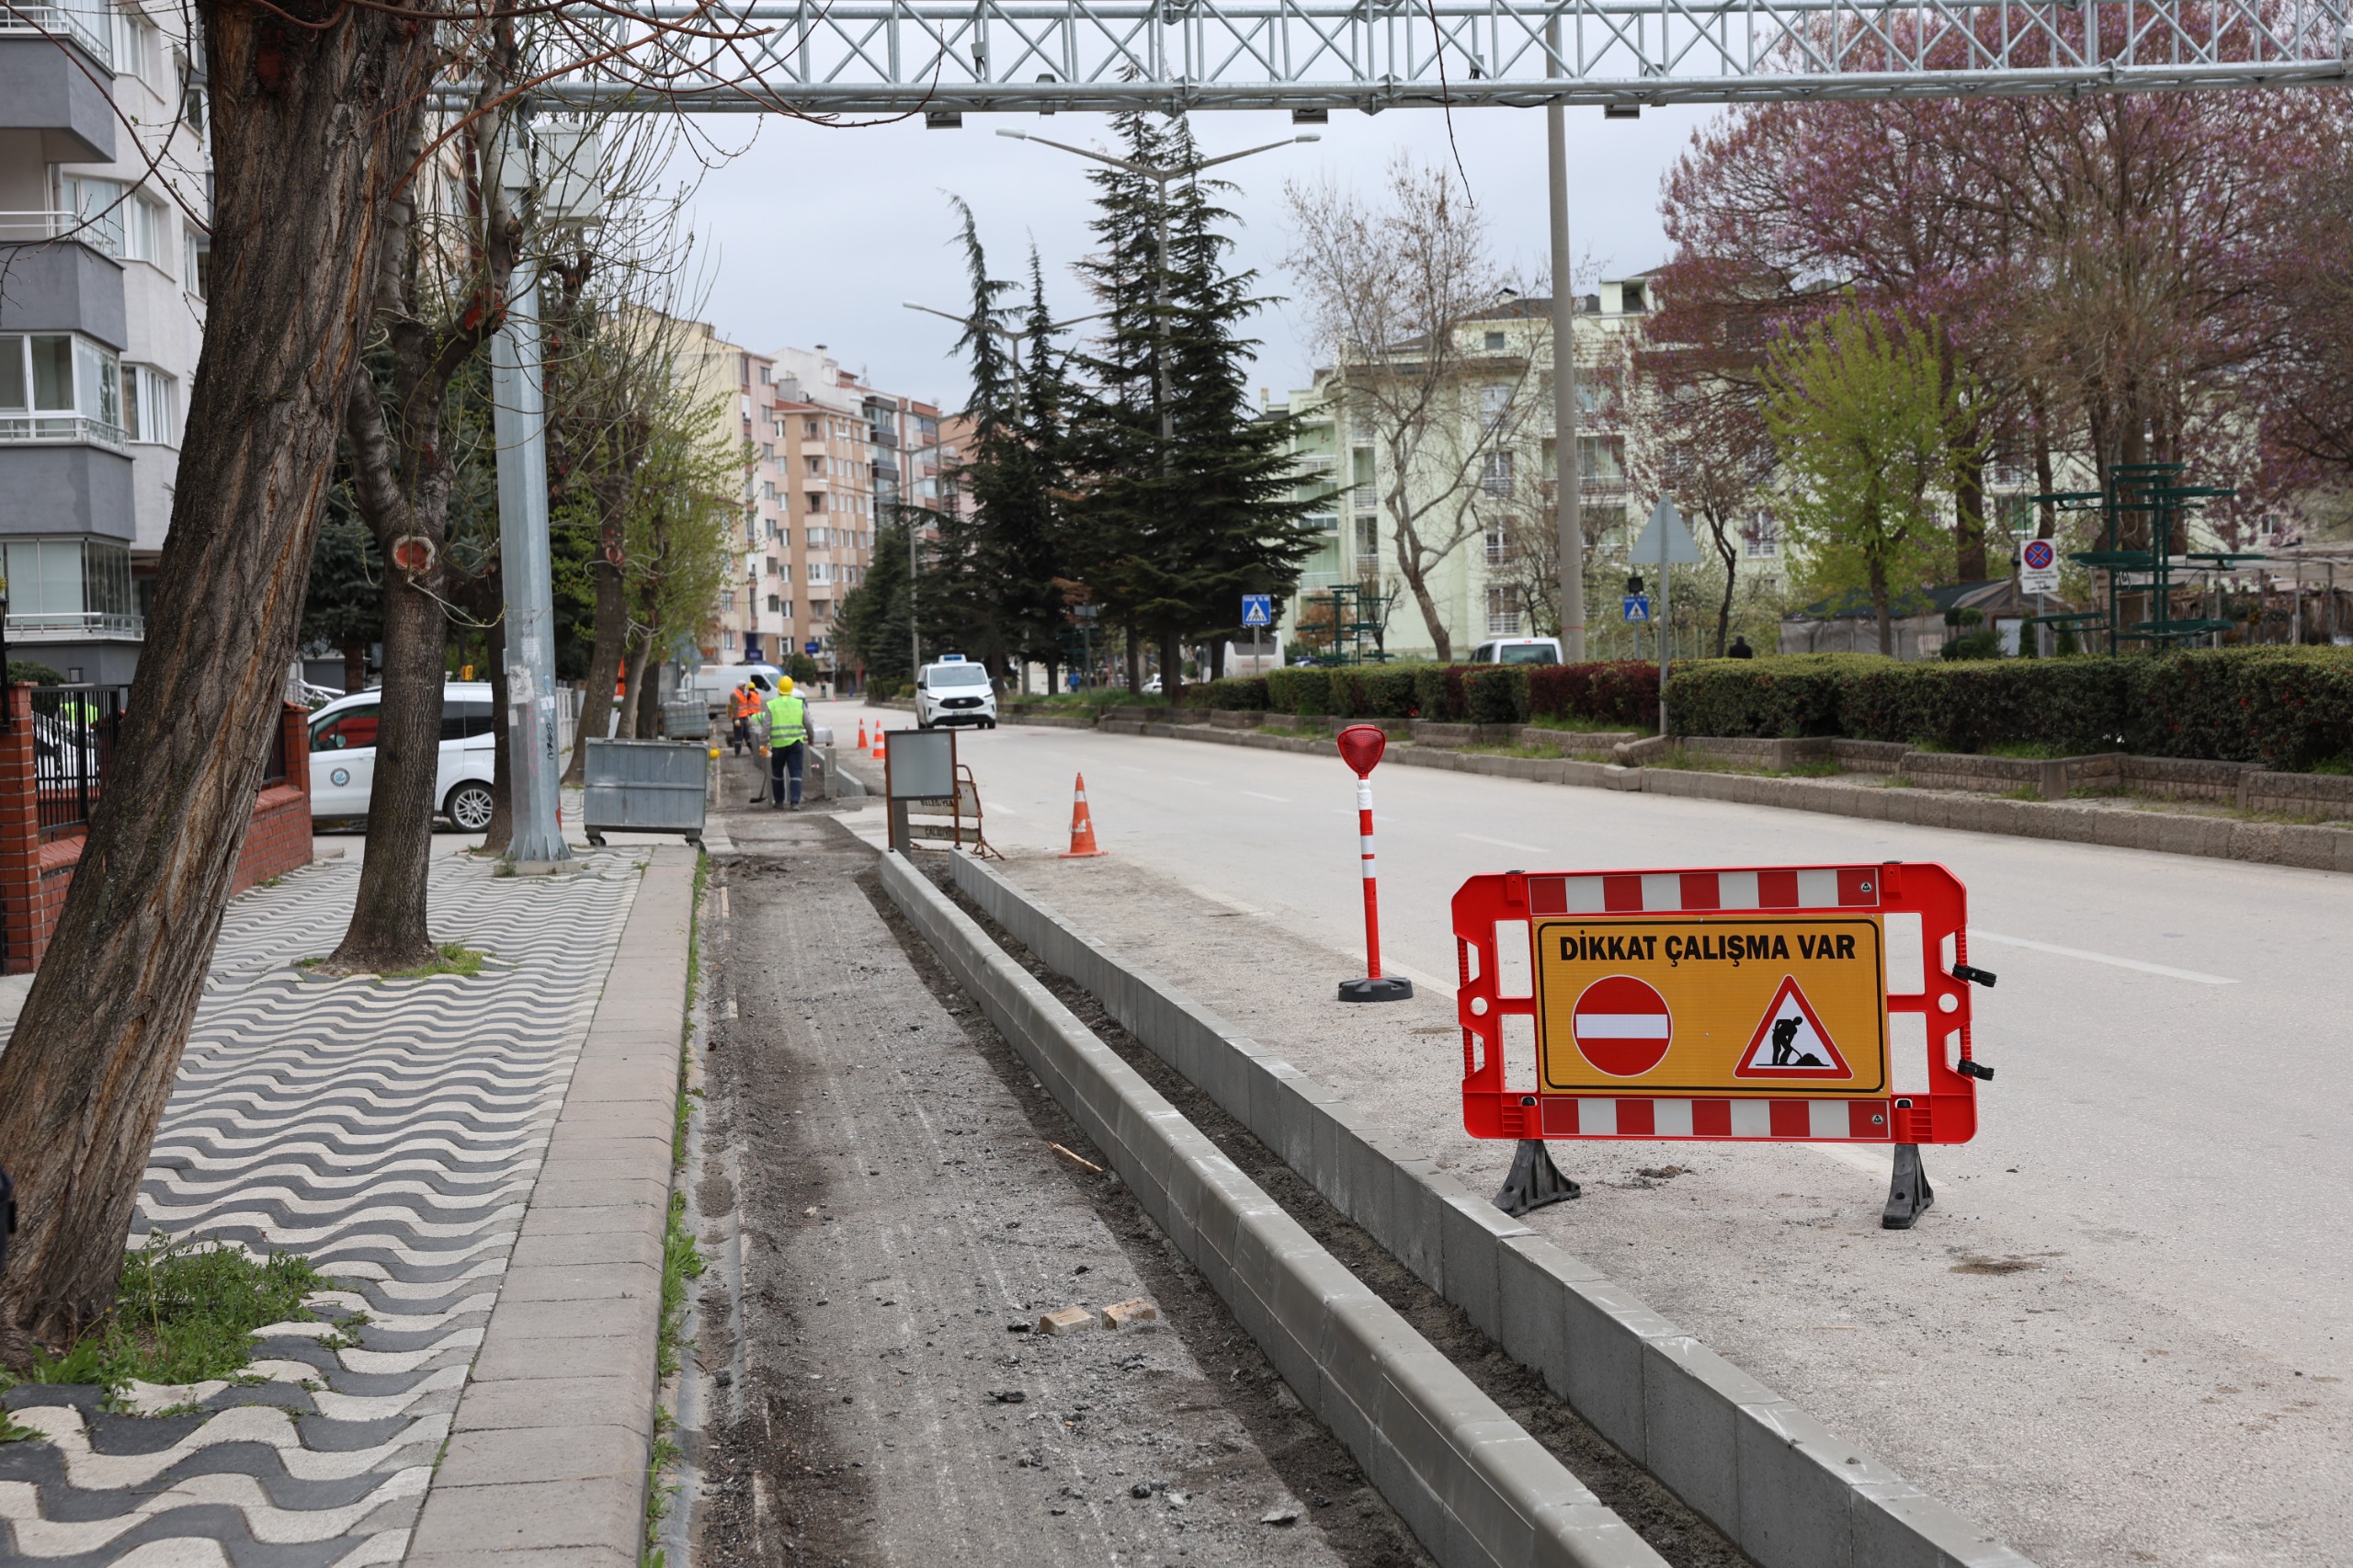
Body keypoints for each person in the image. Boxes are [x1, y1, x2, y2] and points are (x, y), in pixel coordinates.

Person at [762, 676, 810, 809]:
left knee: (777, 774)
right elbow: (808, 723)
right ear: (791, 689)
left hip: (778, 745)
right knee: (796, 773)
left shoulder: (772, 705)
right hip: (795, 745)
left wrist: (763, 743)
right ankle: (795, 802)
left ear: (778, 689)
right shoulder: (799, 704)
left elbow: (766, 726)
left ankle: (779, 802)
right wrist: (811, 739)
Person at [729, 682, 761, 756]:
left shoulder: (744, 694)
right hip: (739, 718)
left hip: (745, 717)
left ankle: (753, 750)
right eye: (743, 686)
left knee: (747, 735)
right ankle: (738, 752)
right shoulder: (735, 694)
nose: (745, 687)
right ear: (739, 686)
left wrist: (746, 718)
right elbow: (734, 707)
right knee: (739, 736)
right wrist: (736, 719)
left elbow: (746, 705)